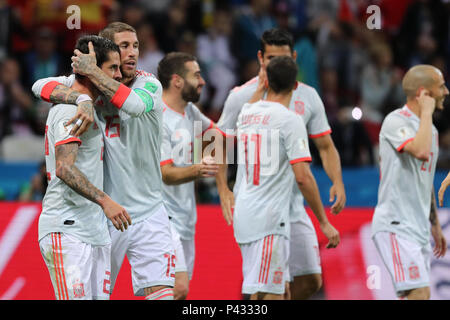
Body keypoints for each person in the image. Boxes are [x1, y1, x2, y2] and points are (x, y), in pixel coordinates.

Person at [32, 22, 176, 300]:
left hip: (148, 210)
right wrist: (82, 100)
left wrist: (95, 75)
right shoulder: (85, 87)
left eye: (135, 45)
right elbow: (39, 86)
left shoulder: (149, 84)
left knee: (165, 292)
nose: (132, 53)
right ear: (103, 52)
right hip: (103, 216)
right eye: (124, 47)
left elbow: (132, 106)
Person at [216, 28, 345, 300]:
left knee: (310, 280)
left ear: (294, 58)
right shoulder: (241, 96)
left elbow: (326, 145)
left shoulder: (303, 98)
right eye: (271, 58)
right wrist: (222, 189)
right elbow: (217, 141)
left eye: (282, 59)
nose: (276, 64)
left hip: (293, 207)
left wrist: (338, 181)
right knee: (268, 290)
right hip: (265, 208)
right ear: (261, 57)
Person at [37, 35, 130, 300]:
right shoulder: (70, 110)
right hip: (67, 229)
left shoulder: (89, 106)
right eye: (112, 68)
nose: (118, 75)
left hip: (93, 230)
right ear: (91, 69)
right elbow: (64, 168)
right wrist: (105, 201)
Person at [371, 64, 449, 300]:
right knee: (419, 293)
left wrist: (434, 225)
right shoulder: (396, 121)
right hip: (395, 224)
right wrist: (426, 112)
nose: (446, 91)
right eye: (442, 86)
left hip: (417, 228)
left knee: (415, 295)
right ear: (424, 93)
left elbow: (424, 180)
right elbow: (421, 152)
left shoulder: (431, 131)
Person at [157, 52, 222, 299]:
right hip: (163, 216)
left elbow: (220, 135)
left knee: (175, 292)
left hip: (186, 217)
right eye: (196, 75)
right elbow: (166, 173)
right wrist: (199, 169)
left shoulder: (190, 112)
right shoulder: (159, 117)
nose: (202, 81)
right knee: (178, 288)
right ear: (177, 81)